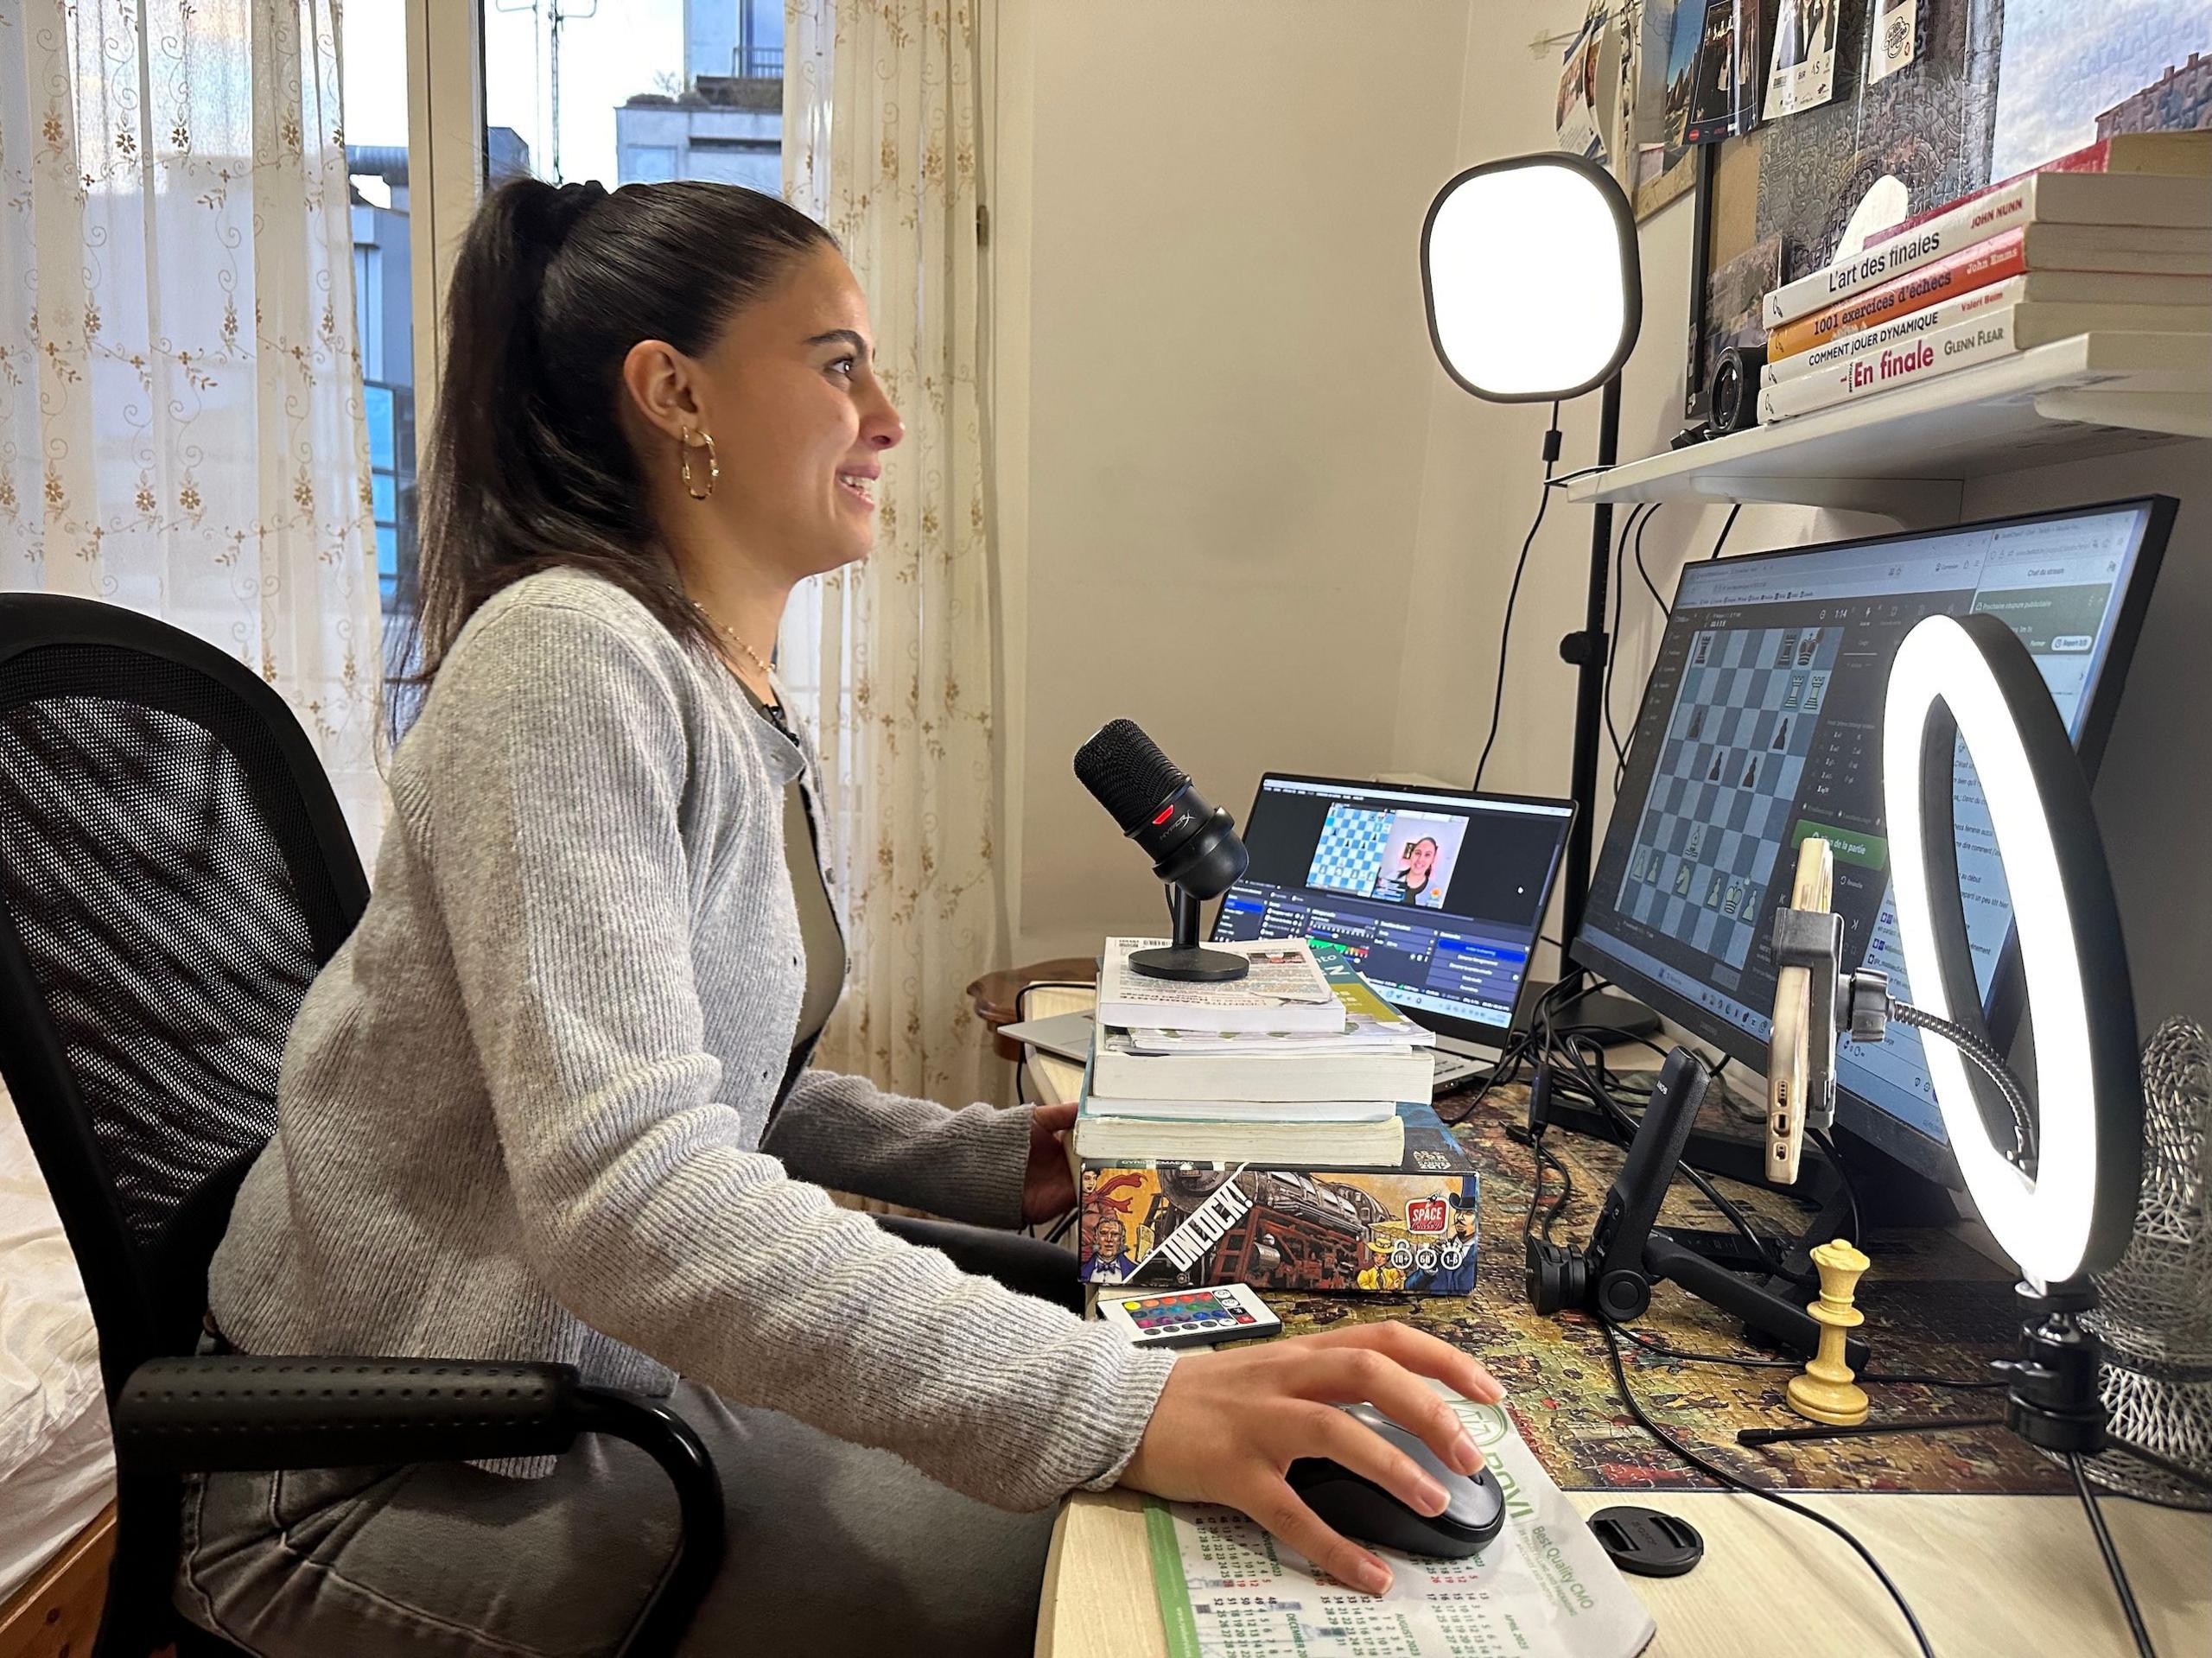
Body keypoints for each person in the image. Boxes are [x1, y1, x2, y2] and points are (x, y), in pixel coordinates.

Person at [175, 177, 1503, 1658]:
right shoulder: (564, 657)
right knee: (1101, 1576)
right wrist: (1118, 1402)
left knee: (1136, 1508)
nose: (887, 415)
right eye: (836, 363)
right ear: (675, 392)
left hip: (596, 1389)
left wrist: (998, 1159)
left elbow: (725, 1077)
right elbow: (629, 1193)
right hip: (368, 1467)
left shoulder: (711, 684)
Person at [1374, 835, 1441, 905]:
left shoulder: (1435, 890)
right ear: (1411, 854)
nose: (1420, 859)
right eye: (1418, 853)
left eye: (1427, 855)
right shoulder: (1391, 877)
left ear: (1433, 860)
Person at [1082, 1214, 1140, 1282]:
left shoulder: (1134, 1271)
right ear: (1095, 1238)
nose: (1109, 1239)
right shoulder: (1082, 1270)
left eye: (1115, 1234)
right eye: (1103, 1233)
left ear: (1122, 1240)